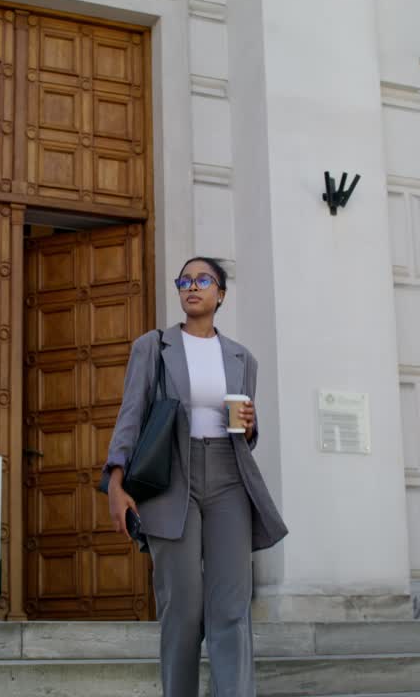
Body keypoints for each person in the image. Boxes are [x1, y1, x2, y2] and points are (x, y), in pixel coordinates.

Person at [102, 257, 288, 697]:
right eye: (184, 280)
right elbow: (131, 414)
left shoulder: (242, 358)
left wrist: (250, 426)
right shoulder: (154, 347)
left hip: (229, 476)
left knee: (231, 608)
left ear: (220, 294)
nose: (192, 286)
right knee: (182, 608)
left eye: (203, 280)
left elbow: (244, 434)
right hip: (172, 478)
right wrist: (115, 481)